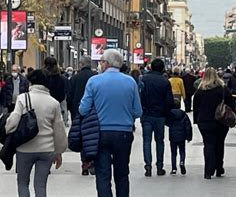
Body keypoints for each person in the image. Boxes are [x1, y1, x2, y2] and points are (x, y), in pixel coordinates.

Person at [79, 49, 142, 197]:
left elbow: (83, 109)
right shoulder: (130, 82)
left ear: (106, 64)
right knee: (122, 174)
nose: (100, 64)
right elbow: (138, 112)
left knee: (102, 174)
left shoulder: (94, 81)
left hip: (100, 133)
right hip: (124, 134)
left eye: (101, 61)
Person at [6, 69, 67, 197]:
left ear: (31, 82)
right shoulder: (54, 102)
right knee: (40, 185)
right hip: (46, 149)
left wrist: (6, 128)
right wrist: (59, 151)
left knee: (23, 183)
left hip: (25, 149)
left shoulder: (23, 98)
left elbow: (13, 122)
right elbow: (59, 130)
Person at [193, 67, 235, 180]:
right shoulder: (222, 89)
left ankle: (208, 171)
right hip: (221, 121)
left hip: (204, 122)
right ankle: (219, 168)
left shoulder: (200, 91)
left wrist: (196, 120)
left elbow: (195, 107)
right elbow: (231, 104)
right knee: (219, 144)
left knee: (208, 144)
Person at [140, 59, 174, 176]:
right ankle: (160, 167)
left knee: (146, 141)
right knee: (160, 141)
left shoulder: (143, 79)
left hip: (146, 114)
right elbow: (169, 101)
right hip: (160, 116)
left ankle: (148, 167)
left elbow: (140, 96)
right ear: (162, 68)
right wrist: (166, 112)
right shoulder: (165, 81)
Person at [66, 55, 96, 175]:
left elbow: (69, 96)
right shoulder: (96, 78)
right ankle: (93, 162)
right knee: (93, 137)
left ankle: (84, 164)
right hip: (93, 114)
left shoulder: (74, 78)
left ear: (81, 64)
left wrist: (71, 110)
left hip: (77, 113)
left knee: (81, 138)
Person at [166, 98, 192, 175]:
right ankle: (182, 162)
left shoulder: (170, 114)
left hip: (173, 136)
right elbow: (188, 126)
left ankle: (174, 168)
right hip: (182, 136)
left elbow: (167, 122)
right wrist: (189, 136)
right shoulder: (183, 114)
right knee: (182, 151)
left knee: (173, 152)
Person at [43, 57, 68, 127]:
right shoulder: (61, 78)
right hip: (57, 107)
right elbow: (63, 95)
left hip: (44, 107)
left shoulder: (43, 77)